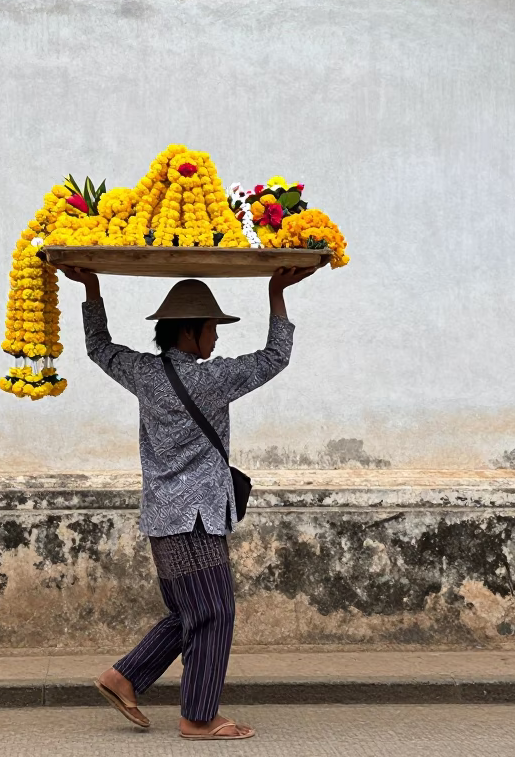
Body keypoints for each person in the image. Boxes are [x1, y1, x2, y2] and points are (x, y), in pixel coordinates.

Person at [57, 264, 316, 741]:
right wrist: (276, 291)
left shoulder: (141, 372)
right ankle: (197, 717)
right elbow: (276, 355)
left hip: (162, 516)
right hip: (195, 518)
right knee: (215, 612)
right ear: (190, 332)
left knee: (190, 613)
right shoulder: (211, 379)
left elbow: (99, 347)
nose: (215, 340)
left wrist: (91, 289)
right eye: (212, 329)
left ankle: (123, 678)